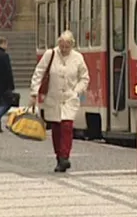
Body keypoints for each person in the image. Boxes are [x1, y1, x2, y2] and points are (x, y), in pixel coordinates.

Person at [29, 30, 90, 173]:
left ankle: (64, 157)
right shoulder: (50, 54)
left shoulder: (78, 58)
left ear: (72, 45)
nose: (64, 49)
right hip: (53, 98)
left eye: (67, 47)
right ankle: (59, 157)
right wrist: (34, 92)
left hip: (69, 98)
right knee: (56, 129)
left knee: (67, 127)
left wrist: (77, 91)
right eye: (62, 46)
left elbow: (84, 78)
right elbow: (39, 73)